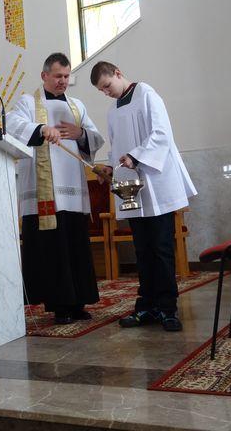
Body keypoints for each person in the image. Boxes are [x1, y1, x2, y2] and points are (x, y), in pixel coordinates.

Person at [90, 61, 197, 331]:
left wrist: (136, 156)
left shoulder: (147, 94)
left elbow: (161, 134)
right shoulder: (113, 111)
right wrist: (109, 167)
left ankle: (168, 309)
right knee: (142, 250)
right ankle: (146, 306)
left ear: (118, 73)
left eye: (107, 86)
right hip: (132, 188)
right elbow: (117, 147)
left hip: (156, 183)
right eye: (102, 90)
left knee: (161, 248)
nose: (106, 93)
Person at [7, 53, 105, 324]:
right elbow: (11, 123)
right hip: (44, 193)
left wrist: (80, 134)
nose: (63, 81)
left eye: (66, 76)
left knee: (75, 246)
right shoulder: (28, 102)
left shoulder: (76, 106)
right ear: (44, 76)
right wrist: (40, 129)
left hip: (72, 189)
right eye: (58, 76)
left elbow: (96, 138)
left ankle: (78, 302)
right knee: (53, 249)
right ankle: (60, 305)